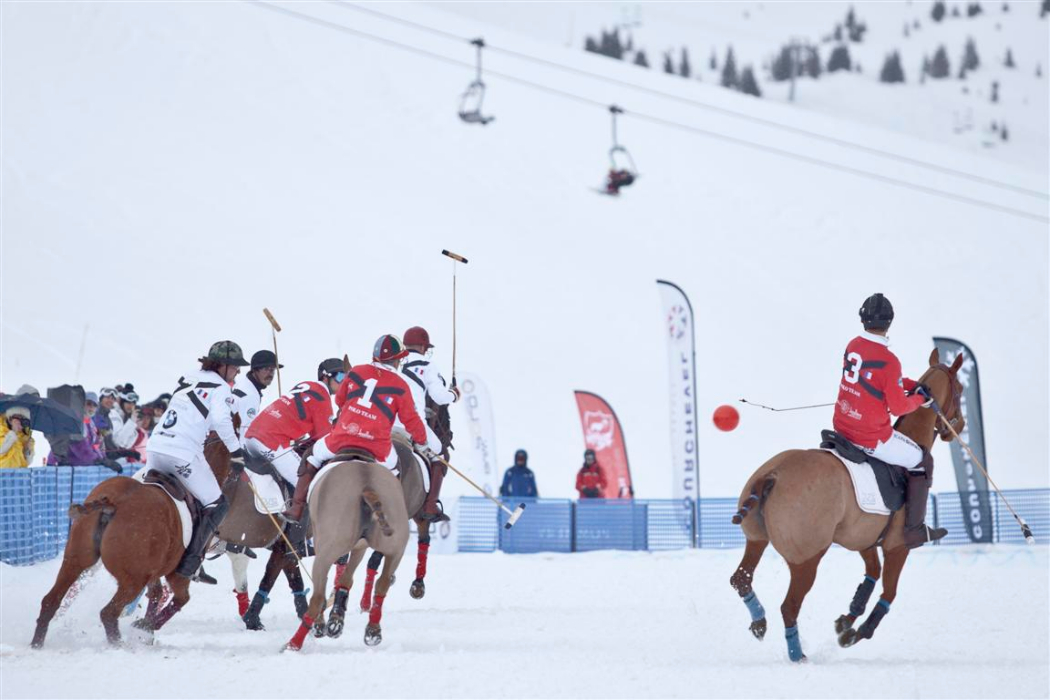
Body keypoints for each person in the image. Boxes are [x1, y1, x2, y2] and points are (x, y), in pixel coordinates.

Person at [834, 293, 947, 548]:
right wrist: (921, 400)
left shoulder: (853, 345)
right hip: (870, 437)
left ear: (862, 319)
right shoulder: (888, 360)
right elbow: (898, 407)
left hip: (842, 426)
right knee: (922, 460)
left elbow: (874, 378)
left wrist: (912, 385)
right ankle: (914, 530)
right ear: (890, 321)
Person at [284, 335, 430, 523]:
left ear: (375, 356)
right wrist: (422, 440)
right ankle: (389, 517)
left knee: (311, 456)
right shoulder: (401, 385)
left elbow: (339, 400)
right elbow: (411, 420)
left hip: (341, 439)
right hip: (377, 447)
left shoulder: (356, 372)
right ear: (397, 360)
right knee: (395, 471)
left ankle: (296, 509)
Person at [146, 340, 248, 579]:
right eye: (235, 367)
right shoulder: (221, 388)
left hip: (155, 449)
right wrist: (236, 452)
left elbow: (197, 412)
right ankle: (190, 565)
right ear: (222, 366)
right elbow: (222, 422)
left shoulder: (188, 376)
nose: (237, 372)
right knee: (217, 504)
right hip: (182, 453)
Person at [243, 358, 339, 490]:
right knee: (313, 488)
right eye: (341, 376)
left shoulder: (306, 385)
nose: (344, 382)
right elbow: (324, 440)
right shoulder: (322, 397)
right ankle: (292, 510)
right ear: (325, 377)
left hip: (250, 438)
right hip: (271, 443)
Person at [397, 325, 460, 522]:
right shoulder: (427, 365)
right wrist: (454, 394)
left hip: (386, 421)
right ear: (424, 347)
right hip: (412, 422)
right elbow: (439, 397)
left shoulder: (394, 363)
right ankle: (431, 506)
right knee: (440, 454)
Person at [233, 350, 283, 433]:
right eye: (266, 369)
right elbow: (245, 430)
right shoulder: (250, 395)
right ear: (255, 370)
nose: (270, 374)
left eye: (272, 370)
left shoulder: (242, 383)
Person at [108, 385, 140, 451]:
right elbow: (119, 442)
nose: (131, 406)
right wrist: (132, 422)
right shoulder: (113, 414)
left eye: (133, 403)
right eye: (128, 402)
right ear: (122, 402)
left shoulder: (126, 418)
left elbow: (127, 445)